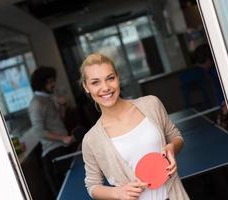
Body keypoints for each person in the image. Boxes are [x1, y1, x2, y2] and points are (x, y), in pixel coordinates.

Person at [81, 53, 189, 199]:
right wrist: (116, 192)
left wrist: (172, 148)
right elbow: (92, 185)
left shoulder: (151, 104)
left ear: (118, 78)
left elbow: (176, 137)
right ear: (86, 87)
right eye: (95, 82)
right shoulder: (91, 140)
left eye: (110, 78)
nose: (105, 87)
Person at [28, 66, 77, 197]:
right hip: (53, 153)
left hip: (62, 148)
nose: (53, 84)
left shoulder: (49, 98)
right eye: (50, 82)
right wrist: (62, 138)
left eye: (53, 81)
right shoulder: (36, 103)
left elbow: (58, 119)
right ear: (41, 84)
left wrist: (62, 106)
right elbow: (38, 131)